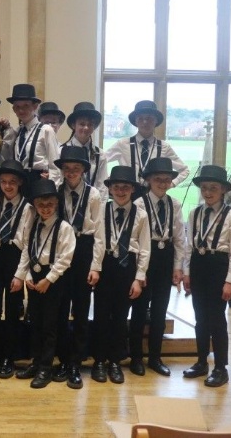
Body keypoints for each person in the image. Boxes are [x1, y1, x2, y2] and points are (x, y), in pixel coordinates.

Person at [11, 179, 74, 389]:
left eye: (49, 205)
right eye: (41, 205)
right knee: (35, 323)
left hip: (53, 279)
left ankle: (46, 367)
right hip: (35, 277)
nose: (45, 209)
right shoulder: (34, 225)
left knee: (50, 326)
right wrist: (24, 276)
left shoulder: (64, 228)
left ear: (56, 204)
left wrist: (49, 279)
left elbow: (66, 258)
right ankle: (35, 363)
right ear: (35, 206)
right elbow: (27, 252)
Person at [51, 145, 104, 389]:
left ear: (83, 170)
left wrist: (95, 266)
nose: (71, 172)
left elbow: (100, 234)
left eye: (76, 168)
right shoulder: (56, 192)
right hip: (61, 251)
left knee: (81, 311)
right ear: (61, 170)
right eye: (67, 168)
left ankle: (76, 362)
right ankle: (62, 359)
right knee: (60, 310)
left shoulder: (94, 196)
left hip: (83, 249)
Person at [91, 166, 150, 385]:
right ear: (110, 189)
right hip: (106, 266)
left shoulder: (141, 215)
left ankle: (114, 362)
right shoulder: (102, 210)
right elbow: (98, 241)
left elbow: (144, 249)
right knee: (100, 316)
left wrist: (138, 278)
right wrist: (95, 267)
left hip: (127, 268)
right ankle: (98, 361)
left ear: (133, 189)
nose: (121, 191)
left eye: (126, 187)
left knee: (119, 318)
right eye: (117, 187)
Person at [129, 157, 187, 377]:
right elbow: (133, 239)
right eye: (158, 179)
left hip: (166, 256)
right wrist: (139, 271)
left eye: (166, 180)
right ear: (149, 181)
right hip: (146, 257)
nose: (162, 183)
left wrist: (178, 267)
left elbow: (180, 239)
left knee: (160, 311)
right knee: (140, 310)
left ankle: (155, 357)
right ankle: (136, 357)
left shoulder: (175, 204)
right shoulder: (139, 204)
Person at [181, 164, 231, 387]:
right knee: (200, 318)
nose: (208, 192)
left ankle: (221, 367)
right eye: (204, 188)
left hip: (218, 265)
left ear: (223, 190)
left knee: (217, 319)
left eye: (213, 188)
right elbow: (188, 245)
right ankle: (202, 360)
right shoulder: (195, 213)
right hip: (198, 265)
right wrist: (187, 273)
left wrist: (230, 281)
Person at [0, 159, 31, 379]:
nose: (8, 186)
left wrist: (20, 274)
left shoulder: (28, 208)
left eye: (12, 182)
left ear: (20, 182)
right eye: (4, 182)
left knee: (12, 310)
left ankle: (9, 357)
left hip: (16, 258)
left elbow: (28, 244)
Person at [105, 100, 189, 200]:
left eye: (149, 118)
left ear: (156, 121)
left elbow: (184, 170)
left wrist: (171, 184)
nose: (145, 122)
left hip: (153, 197)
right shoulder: (123, 144)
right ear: (135, 121)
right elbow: (100, 161)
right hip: (128, 197)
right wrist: (110, 180)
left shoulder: (164, 147)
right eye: (141, 118)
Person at [3, 84, 61, 185]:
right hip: (19, 182)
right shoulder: (17, 132)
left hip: (39, 181)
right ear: (14, 109)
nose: (21, 110)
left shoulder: (46, 130)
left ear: (35, 106)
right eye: (17, 106)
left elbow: (55, 165)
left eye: (26, 105)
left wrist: (52, 187)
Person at [63, 102, 108, 201]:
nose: (86, 128)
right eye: (82, 124)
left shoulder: (100, 155)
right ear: (73, 125)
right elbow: (57, 180)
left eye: (90, 124)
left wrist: (101, 211)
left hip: (92, 204)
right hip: (66, 202)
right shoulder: (61, 151)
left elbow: (102, 186)